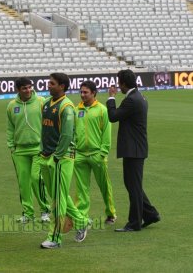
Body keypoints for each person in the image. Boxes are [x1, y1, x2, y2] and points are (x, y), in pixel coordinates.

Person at [106, 69, 160, 232]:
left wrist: (111, 97)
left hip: (134, 149)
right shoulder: (139, 96)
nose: (118, 86)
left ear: (122, 83)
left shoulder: (131, 100)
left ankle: (134, 223)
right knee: (133, 185)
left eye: (118, 82)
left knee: (133, 186)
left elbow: (113, 116)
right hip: (136, 147)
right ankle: (150, 214)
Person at [39, 73, 89, 249]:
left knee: (58, 200)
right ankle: (81, 221)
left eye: (52, 83)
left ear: (62, 86)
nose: (48, 85)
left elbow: (67, 136)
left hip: (62, 157)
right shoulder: (46, 103)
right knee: (58, 195)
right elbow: (45, 131)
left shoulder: (67, 108)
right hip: (47, 155)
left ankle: (55, 238)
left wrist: (57, 156)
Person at [7, 77, 50, 223]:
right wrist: (11, 146)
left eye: (29, 87)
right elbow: (10, 127)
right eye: (24, 88)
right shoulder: (12, 106)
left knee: (36, 178)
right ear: (18, 90)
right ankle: (28, 213)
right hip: (19, 150)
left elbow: (49, 122)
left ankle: (45, 210)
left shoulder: (41, 102)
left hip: (38, 148)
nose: (28, 90)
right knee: (23, 182)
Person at [74, 81, 117, 224]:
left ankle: (111, 213)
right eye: (81, 92)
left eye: (85, 92)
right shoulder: (76, 110)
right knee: (81, 189)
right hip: (79, 155)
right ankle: (82, 217)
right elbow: (73, 131)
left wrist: (103, 152)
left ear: (94, 93)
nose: (82, 95)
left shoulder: (102, 110)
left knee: (104, 186)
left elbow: (106, 133)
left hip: (96, 154)